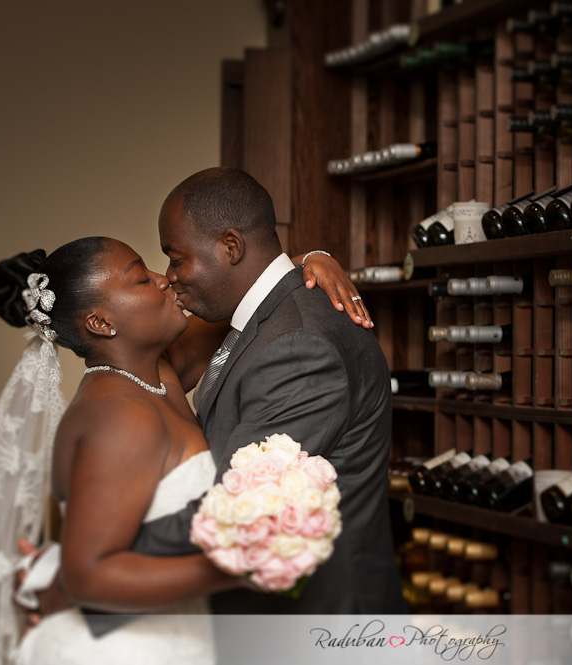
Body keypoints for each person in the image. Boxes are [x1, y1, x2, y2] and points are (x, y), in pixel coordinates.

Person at [0, 234, 368, 665]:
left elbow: (255, 289)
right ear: (100, 322)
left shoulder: (157, 374)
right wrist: (246, 566)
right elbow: (89, 577)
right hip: (119, 649)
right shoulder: (117, 416)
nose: (165, 281)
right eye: (142, 278)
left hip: (171, 633)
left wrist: (312, 259)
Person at [135, 166, 406, 614]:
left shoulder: (297, 346)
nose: (170, 275)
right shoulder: (268, 317)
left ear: (230, 246)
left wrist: (98, 558)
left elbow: (239, 510)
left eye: (176, 257)